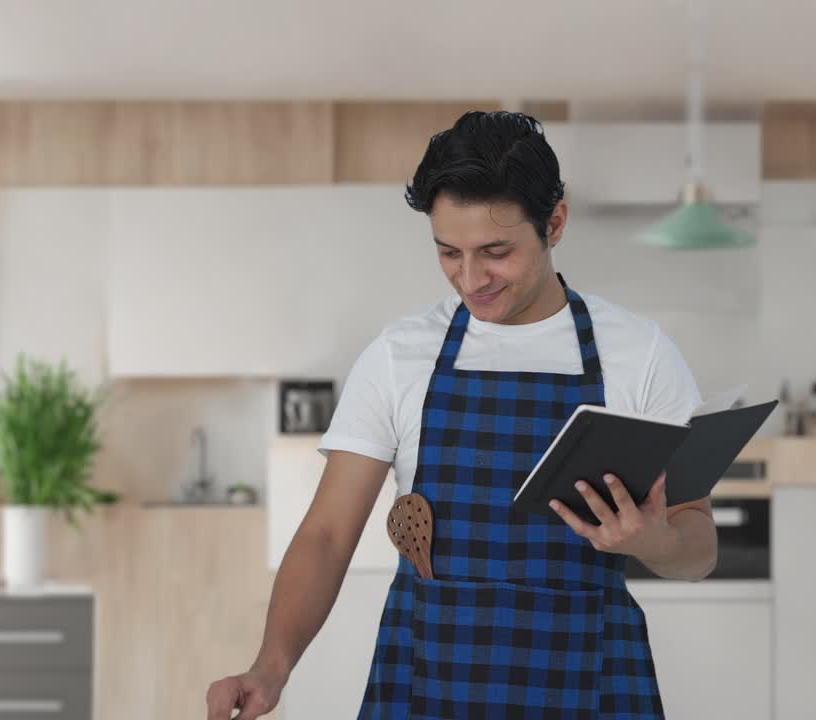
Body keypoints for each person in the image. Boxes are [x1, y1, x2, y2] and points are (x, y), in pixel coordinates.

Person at [206, 111, 718, 720]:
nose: (470, 279)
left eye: (495, 252)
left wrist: (655, 541)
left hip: (591, 681)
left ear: (554, 221)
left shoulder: (640, 354)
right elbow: (326, 534)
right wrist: (271, 665)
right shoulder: (402, 355)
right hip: (430, 678)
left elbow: (699, 543)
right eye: (448, 252)